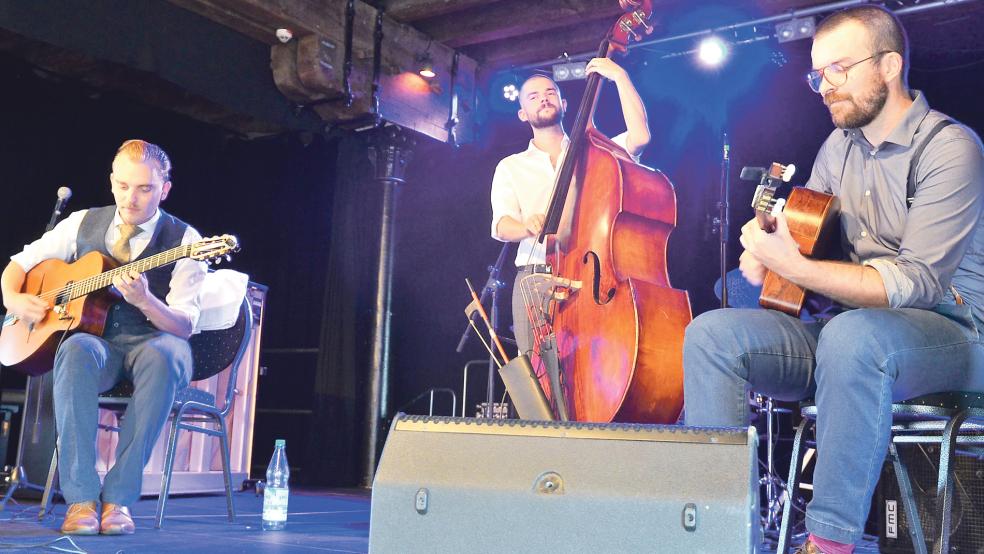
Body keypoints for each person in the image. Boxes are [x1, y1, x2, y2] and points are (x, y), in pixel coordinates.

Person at [682, 6, 984, 553]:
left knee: (854, 338)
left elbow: (917, 282)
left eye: (838, 69)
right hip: (853, 336)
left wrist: (793, 265)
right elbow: (804, 249)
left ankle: (829, 541)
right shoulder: (835, 150)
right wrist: (768, 256)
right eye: (817, 74)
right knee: (712, 333)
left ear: (889, 66)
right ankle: (720, 532)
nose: (824, 86)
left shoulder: (949, 147)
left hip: (955, 336)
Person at [1, 139, 207, 535]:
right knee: (75, 348)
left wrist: (147, 301)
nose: (131, 198)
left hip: (153, 340)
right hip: (98, 342)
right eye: (124, 186)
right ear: (112, 181)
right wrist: (14, 297)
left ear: (164, 188)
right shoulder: (82, 222)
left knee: (166, 355)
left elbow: (183, 325)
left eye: (145, 188)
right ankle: (80, 500)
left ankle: (118, 501)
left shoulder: (186, 241)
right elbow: (18, 263)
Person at [489, 58, 651, 387]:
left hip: (589, 277)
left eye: (550, 92)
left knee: (593, 375)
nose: (543, 98)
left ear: (564, 104)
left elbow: (640, 136)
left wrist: (619, 75)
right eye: (532, 96)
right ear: (522, 113)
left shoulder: (596, 152)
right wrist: (527, 227)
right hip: (534, 276)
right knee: (537, 379)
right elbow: (501, 225)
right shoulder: (510, 166)